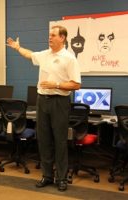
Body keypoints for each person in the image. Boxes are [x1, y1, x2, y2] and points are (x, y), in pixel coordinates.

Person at [7, 25, 81, 191]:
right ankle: (47, 176)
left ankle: (61, 178)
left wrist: (56, 84)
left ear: (62, 38)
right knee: (44, 140)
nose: (50, 38)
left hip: (59, 102)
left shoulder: (69, 58)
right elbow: (29, 55)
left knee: (60, 141)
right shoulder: (45, 55)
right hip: (42, 100)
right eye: (49, 35)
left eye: (53, 35)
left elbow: (76, 84)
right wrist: (17, 47)